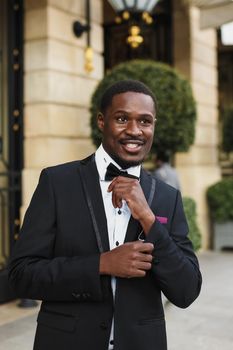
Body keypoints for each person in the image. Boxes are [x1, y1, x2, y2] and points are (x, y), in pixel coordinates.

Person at [8, 80, 202, 350]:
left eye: (145, 121)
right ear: (101, 121)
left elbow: (186, 291)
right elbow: (19, 275)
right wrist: (101, 264)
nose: (134, 130)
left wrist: (147, 218)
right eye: (122, 118)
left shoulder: (168, 197)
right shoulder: (57, 182)